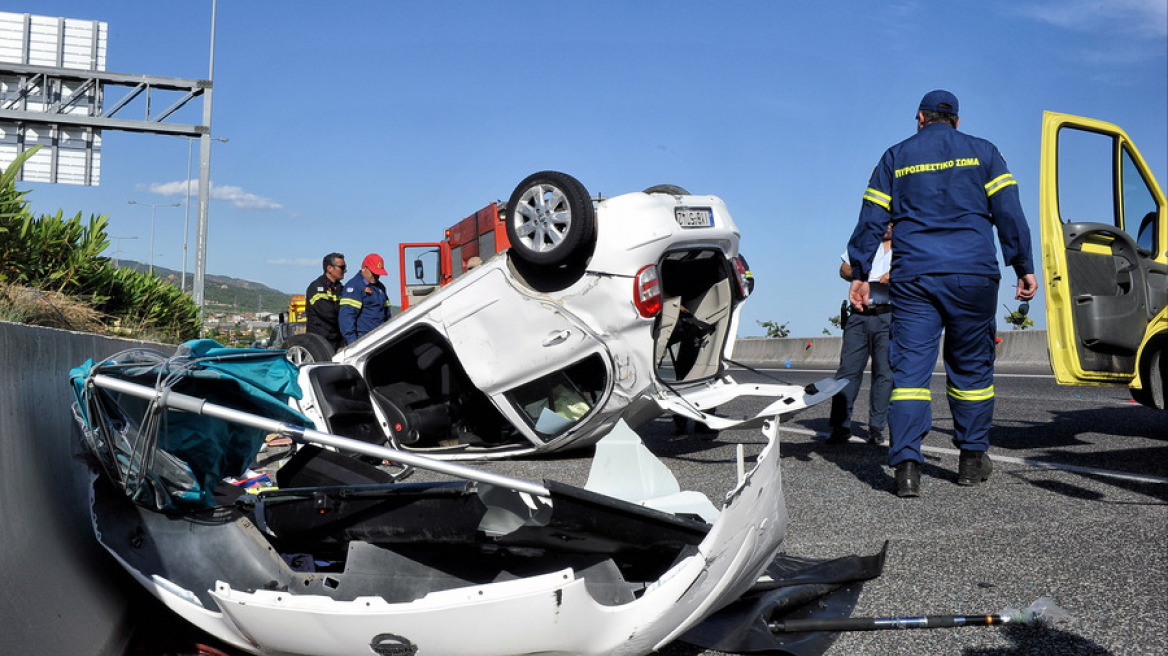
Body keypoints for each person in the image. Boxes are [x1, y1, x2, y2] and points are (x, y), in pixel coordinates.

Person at [847, 90, 1038, 498]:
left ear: (920, 117)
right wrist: (1023, 265)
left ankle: (907, 468)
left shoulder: (896, 156)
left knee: (911, 374)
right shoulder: (984, 152)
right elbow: (1008, 211)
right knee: (971, 369)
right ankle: (971, 460)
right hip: (974, 273)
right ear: (957, 120)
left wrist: (861, 271)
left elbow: (872, 215)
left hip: (916, 276)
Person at [827, 223, 892, 446]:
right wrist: (864, 275)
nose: (888, 225)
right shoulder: (865, 241)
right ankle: (840, 426)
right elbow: (844, 269)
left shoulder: (907, 245)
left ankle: (876, 428)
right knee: (847, 371)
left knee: (884, 373)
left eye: (893, 221)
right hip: (859, 314)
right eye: (886, 220)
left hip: (888, 314)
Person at [339, 253, 392, 345]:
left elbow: (386, 314)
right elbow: (347, 316)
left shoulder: (380, 287)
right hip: (363, 337)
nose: (376, 276)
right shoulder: (354, 287)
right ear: (364, 268)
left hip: (380, 336)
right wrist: (352, 342)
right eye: (373, 273)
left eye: (378, 274)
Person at [304, 252, 346, 348]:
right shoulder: (316, 288)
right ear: (330, 268)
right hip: (319, 342)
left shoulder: (341, 288)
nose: (345, 270)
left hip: (337, 341)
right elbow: (328, 313)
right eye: (342, 267)